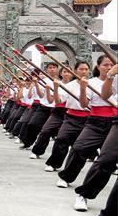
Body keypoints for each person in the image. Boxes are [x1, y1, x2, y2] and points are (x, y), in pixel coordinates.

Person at [57, 56, 117, 195]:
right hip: (95, 121)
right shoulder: (91, 83)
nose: (109, 67)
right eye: (105, 65)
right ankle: (66, 177)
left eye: (111, 64)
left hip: (114, 121)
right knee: (78, 149)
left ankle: (87, 193)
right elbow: (84, 104)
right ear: (98, 67)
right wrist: (83, 89)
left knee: (106, 162)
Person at [44, 61, 91, 172]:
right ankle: (54, 163)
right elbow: (58, 100)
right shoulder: (70, 85)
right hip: (71, 117)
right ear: (75, 71)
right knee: (61, 139)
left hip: (89, 119)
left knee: (80, 147)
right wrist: (55, 88)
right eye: (81, 69)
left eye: (86, 69)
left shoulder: (93, 84)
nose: (83, 72)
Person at [29, 67, 73, 159]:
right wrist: (49, 90)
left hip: (72, 113)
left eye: (69, 72)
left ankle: (92, 154)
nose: (67, 74)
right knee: (45, 131)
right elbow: (50, 101)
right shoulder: (56, 84)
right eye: (64, 71)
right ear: (61, 73)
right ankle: (37, 151)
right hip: (58, 111)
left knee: (68, 137)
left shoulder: (76, 85)